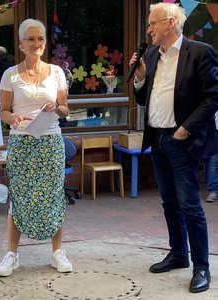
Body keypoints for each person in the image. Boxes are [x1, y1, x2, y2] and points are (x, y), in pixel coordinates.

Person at [130, 2, 218, 294]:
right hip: (157, 139)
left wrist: (186, 128)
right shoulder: (152, 54)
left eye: (153, 23)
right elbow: (143, 100)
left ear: (170, 23)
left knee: (190, 205)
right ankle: (179, 253)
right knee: (169, 202)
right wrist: (140, 76)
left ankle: (202, 267)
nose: (149, 30)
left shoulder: (200, 53)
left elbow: (213, 97)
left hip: (182, 141)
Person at [0, 19, 72, 277]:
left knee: (53, 196)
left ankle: (57, 253)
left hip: (50, 141)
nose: (36, 43)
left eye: (40, 39)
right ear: (20, 44)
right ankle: (12, 255)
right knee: (19, 197)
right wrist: (13, 118)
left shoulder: (57, 72)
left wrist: (56, 107)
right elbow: (3, 112)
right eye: (30, 39)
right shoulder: (10, 75)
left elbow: (65, 109)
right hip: (22, 142)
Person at [205, 112, 218, 202]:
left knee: (213, 160)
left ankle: (213, 190)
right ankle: (213, 190)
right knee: (213, 159)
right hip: (215, 128)